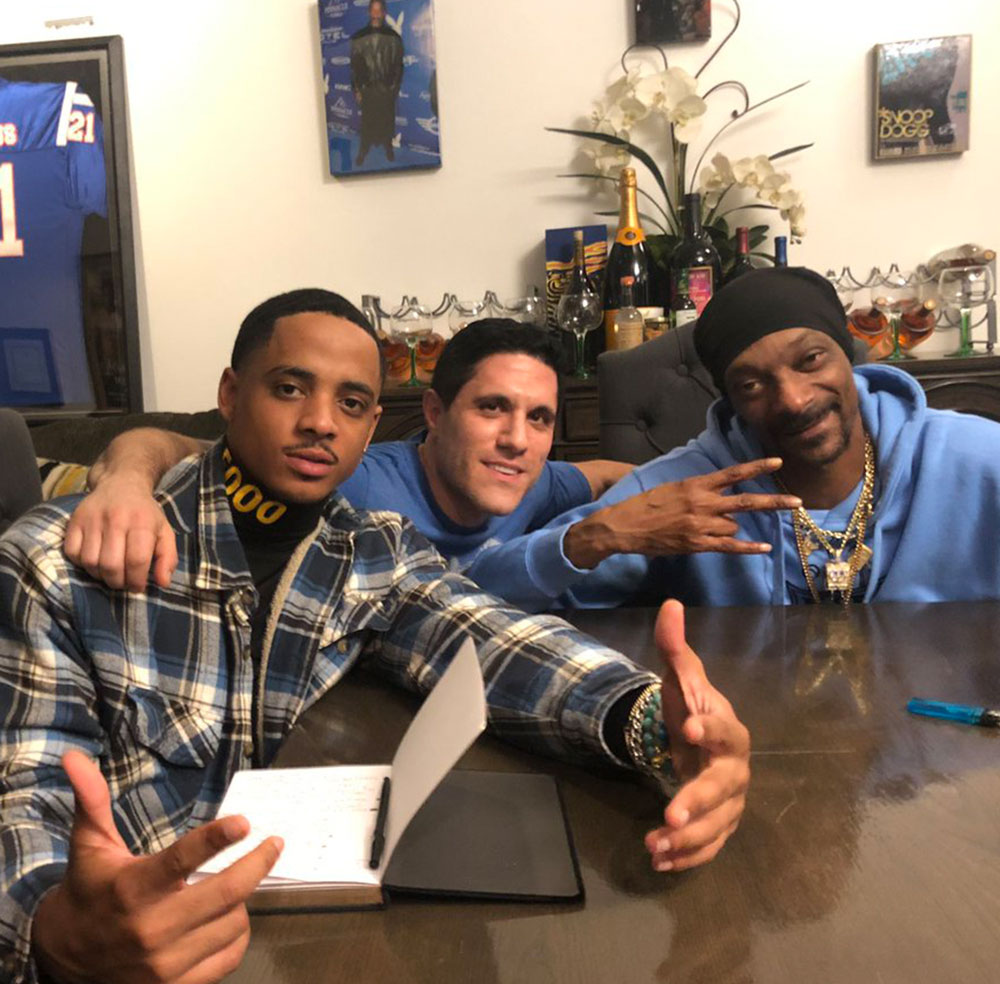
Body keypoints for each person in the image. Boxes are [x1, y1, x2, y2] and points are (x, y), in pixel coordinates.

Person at [0, 288, 750, 984]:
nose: (321, 422)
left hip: (274, 938)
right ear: (229, 395)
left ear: (371, 423)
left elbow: (491, 637)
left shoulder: (369, 549)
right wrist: (57, 930)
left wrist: (651, 719)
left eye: (351, 403)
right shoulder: (55, 561)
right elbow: (22, 790)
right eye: (289, 388)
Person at [462, 266, 1000, 610]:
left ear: (849, 355)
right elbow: (477, 595)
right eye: (752, 384)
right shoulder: (685, 486)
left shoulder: (975, 458)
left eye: (810, 360)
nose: (793, 399)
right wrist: (596, 536)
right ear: (729, 400)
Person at [60, 319, 635, 591]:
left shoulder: (533, 479)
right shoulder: (351, 481)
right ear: (435, 413)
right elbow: (187, 452)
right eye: (492, 408)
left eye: (539, 418)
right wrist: (125, 484)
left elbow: (608, 475)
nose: (517, 439)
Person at [350, 0, 403, 166]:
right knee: (367, 123)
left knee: (387, 121)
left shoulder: (393, 37)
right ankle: (363, 150)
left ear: (384, 12)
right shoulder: (359, 37)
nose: (376, 14)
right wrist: (357, 89)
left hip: (386, 89)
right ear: (368, 12)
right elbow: (354, 66)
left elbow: (398, 67)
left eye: (379, 10)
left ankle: (388, 147)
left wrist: (393, 90)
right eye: (373, 10)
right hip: (367, 88)